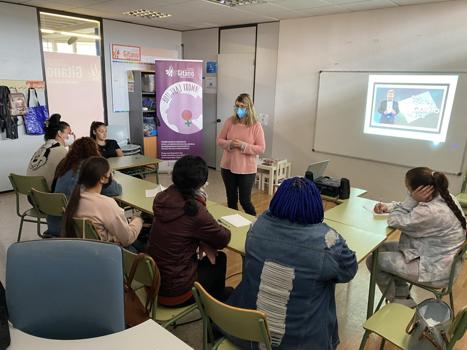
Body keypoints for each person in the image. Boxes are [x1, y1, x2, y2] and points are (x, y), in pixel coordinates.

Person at [225, 177, 357, 350]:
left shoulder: (256, 227)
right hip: (301, 343)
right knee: (325, 283)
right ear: (317, 206)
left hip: (247, 335)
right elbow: (349, 270)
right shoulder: (328, 241)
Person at [368, 167, 466, 307]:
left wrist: (410, 200)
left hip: (435, 270)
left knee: (374, 260)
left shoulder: (429, 212)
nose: (408, 192)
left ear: (420, 190)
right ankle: (403, 296)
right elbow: (412, 205)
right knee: (381, 248)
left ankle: (400, 303)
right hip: (438, 257)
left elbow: (394, 221)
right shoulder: (444, 196)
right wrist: (388, 206)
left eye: (408, 189)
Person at [147, 155, 231, 307]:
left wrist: (201, 240)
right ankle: (218, 305)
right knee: (220, 259)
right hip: (177, 293)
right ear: (202, 183)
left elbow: (182, 230)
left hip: (153, 283)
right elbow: (223, 239)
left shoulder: (162, 197)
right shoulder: (194, 209)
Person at [47, 137, 122, 236]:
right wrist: (109, 176)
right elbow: (115, 190)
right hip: (74, 229)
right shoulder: (91, 168)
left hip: (55, 224)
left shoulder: (64, 166)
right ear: (94, 151)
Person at [62, 156, 143, 246]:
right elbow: (127, 239)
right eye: (110, 173)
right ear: (103, 178)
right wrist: (138, 220)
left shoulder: (74, 199)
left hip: (85, 249)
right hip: (107, 252)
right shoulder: (106, 204)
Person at [217, 93, 265, 216]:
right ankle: (234, 225)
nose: (239, 109)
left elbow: (261, 148)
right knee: (231, 200)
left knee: (245, 201)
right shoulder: (230, 121)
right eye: (237, 106)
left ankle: (254, 224)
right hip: (228, 167)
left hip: (246, 170)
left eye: (242, 106)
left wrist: (243, 146)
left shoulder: (256, 126)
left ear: (249, 108)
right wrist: (230, 144)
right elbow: (219, 141)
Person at [26, 114, 73, 189]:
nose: (69, 137)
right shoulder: (60, 150)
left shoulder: (42, 147)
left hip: (31, 193)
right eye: (68, 133)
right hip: (45, 195)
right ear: (59, 133)